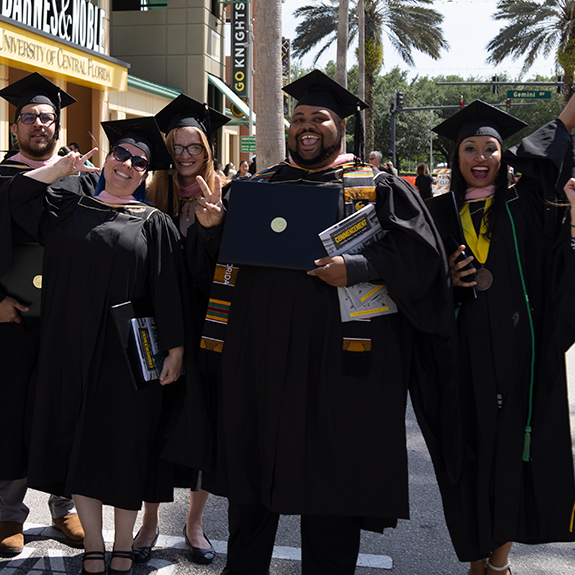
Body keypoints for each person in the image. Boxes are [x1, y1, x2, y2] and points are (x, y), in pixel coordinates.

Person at [196, 69, 459, 575]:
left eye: (319, 118)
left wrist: (356, 268)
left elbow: (425, 259)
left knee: (332, 482)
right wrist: (213, 233)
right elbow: (229, 267)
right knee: (255, 479)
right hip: (265, 363)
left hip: (340, 370)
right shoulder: (260, 187)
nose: (306, 126)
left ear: (341, 127)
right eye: (298, 119)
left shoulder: (376, 186)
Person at [2, 117, 189, 575]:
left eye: (138, 161)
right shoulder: (67, 206)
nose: (126, 163)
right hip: (67, 350)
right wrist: (59, 170)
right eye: (120, 153)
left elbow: (169, 291)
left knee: (124, 447)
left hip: (125, 359)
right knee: (77, 448)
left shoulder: (155, 223)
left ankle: (122, 546)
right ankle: (93, 547)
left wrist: (176, 350)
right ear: (106, 158)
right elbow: (14, 195)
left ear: (147, 173)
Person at [432, 100, 575, 575]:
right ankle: (476, 555)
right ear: (455, 158)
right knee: (468, 459)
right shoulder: (436, 213)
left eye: (490, 148)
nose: (479, 156)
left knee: (513, 455)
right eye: (469, 147)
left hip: (515, 356)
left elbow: (546, 152)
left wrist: (569, 114)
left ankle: (497, 563)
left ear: (502, 155)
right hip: (461, 358)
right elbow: (408, 276)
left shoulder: (523, 207)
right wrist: (444, 280)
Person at [130, 94, 230, 567]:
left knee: (206, 423)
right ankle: (150, 521)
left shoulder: (228, 194)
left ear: (207, 150)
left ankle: (194, 523)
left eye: (196, 147)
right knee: (157, 421)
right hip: (161, 324)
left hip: (211, 326)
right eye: (179, 146)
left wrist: (214, 228)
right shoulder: (151, 193)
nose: (187, 155)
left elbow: (234, 268)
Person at [0, 72, 94, 555]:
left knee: (68, 409)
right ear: (15, 125)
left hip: (67, 318)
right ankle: (8, 514)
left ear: (59, 126)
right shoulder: (0, 176)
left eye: (48, 118)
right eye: (31, 117)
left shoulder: (84, 178)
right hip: (14, 321)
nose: (40, 124)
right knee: (12, 411)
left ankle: (66, 508)